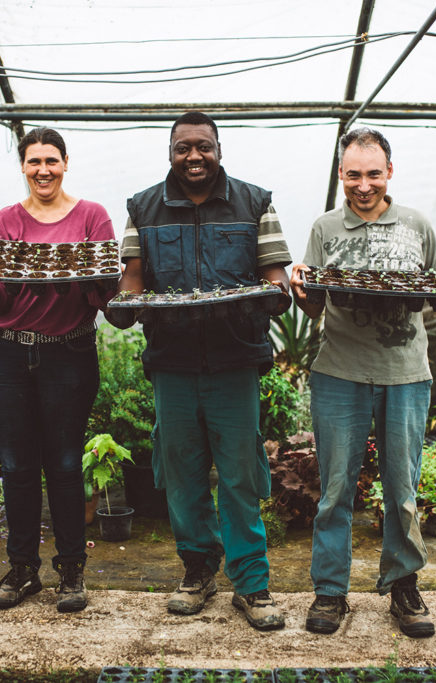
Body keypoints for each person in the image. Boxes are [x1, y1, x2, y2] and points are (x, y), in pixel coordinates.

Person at [109, 111, 292, 631]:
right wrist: (121, 305)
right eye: (184, 147)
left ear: (219, 149)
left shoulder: (254, 202)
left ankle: (252, 586)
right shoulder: (143, 208)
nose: (194, 157)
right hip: (173, 363)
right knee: (183, 475)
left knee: (240, 475)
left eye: (204, 147)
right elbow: (134, 281)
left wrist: (274, 295)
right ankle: (197, 572)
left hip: (235, 361)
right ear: (171, 152)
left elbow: (274, 274)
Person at [289, 127, 436, 637]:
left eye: (373, 174)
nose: (363, 185)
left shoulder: (416, 225)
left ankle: (403, 586)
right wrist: (301, 287)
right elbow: (313, 305)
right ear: (341, 175)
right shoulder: (326, 228)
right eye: (353, 174)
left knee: (403, 488)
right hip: (340, 373)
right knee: (334, 490)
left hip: (406, 375)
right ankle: (330, 591)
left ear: (389, 172)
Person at [0, 127, 115, 613]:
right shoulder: (4, 222)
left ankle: (71, 571)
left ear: (66, 162)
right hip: (7, 352)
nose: (43, 170)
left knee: (66, 464)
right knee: (16, 464)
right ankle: (23, 568)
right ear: (22, 167)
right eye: (33, 162)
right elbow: (0, 295)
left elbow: (104, 292)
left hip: (68, 353)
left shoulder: (92, 217)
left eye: (51, 160)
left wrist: (78, 286)